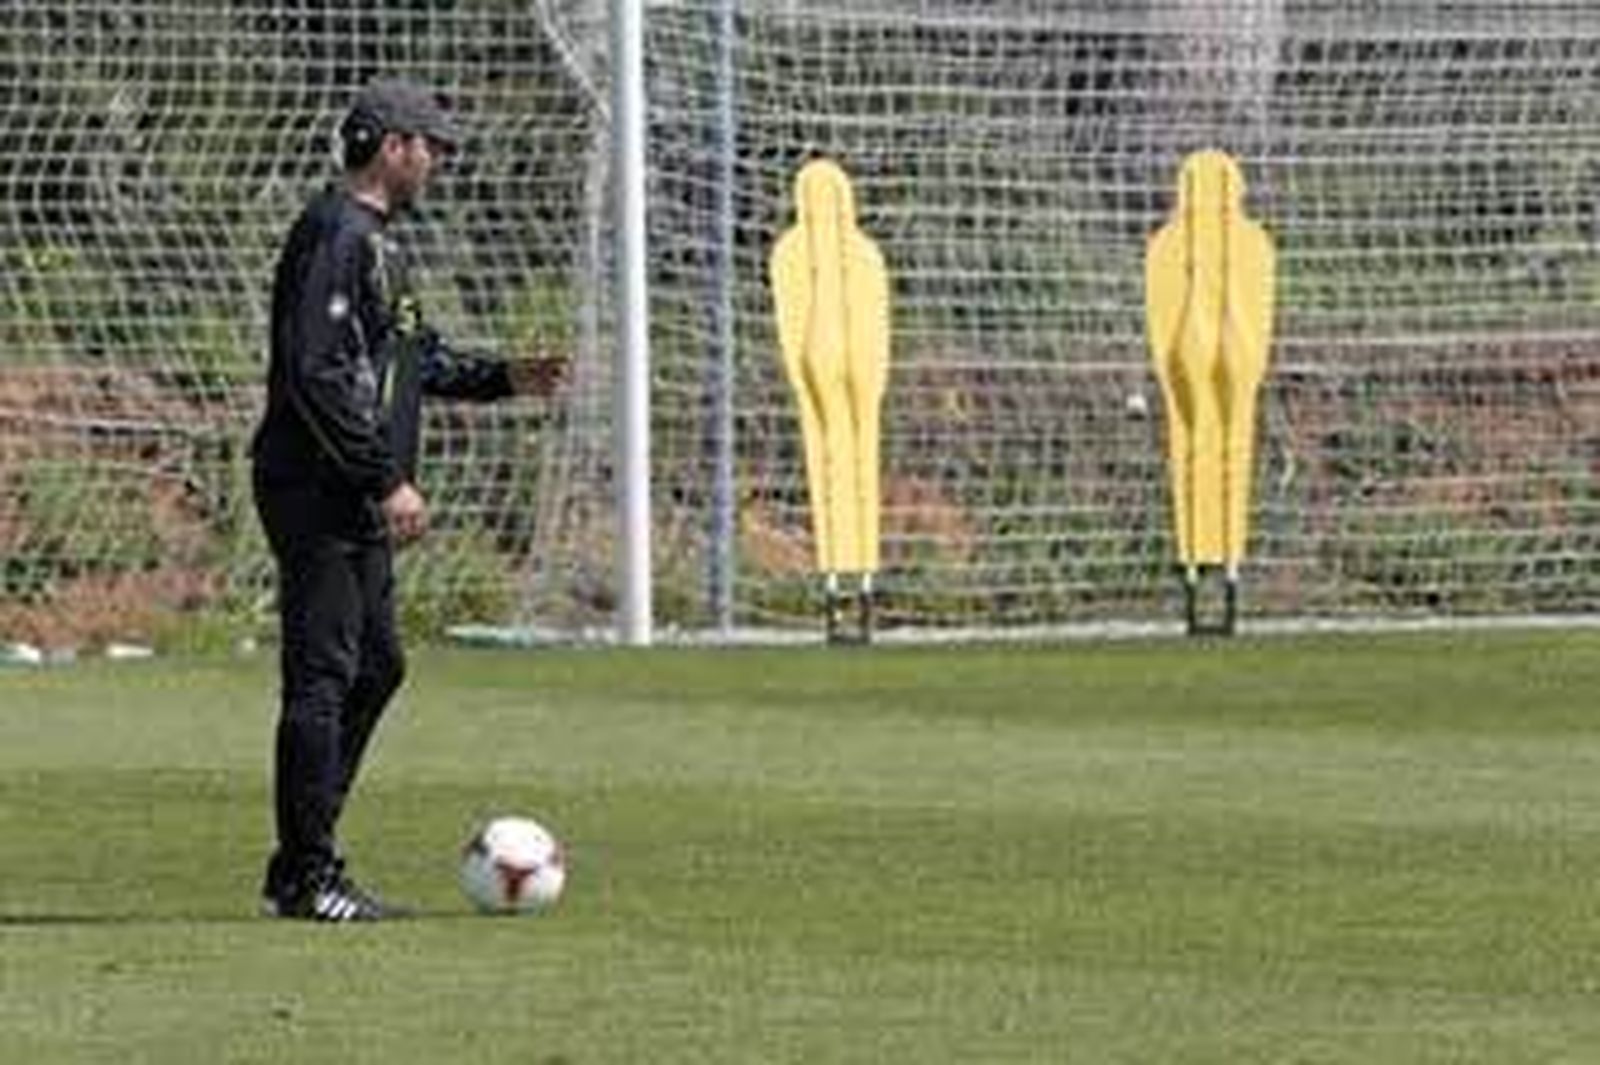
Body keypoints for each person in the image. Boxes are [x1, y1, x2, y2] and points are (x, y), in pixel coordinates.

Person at [251, 80, 564, 921]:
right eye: (434, 145)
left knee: (376, 664)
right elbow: (315, 372)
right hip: (318, 487)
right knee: (321, 678)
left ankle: (300, 862)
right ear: (393, 146)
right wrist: (381, 476)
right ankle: (309, 874)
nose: (440, 160)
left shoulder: (383, 246)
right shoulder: (334, 234)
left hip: (347, 488)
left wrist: (503, 376)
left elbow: (412, 360)